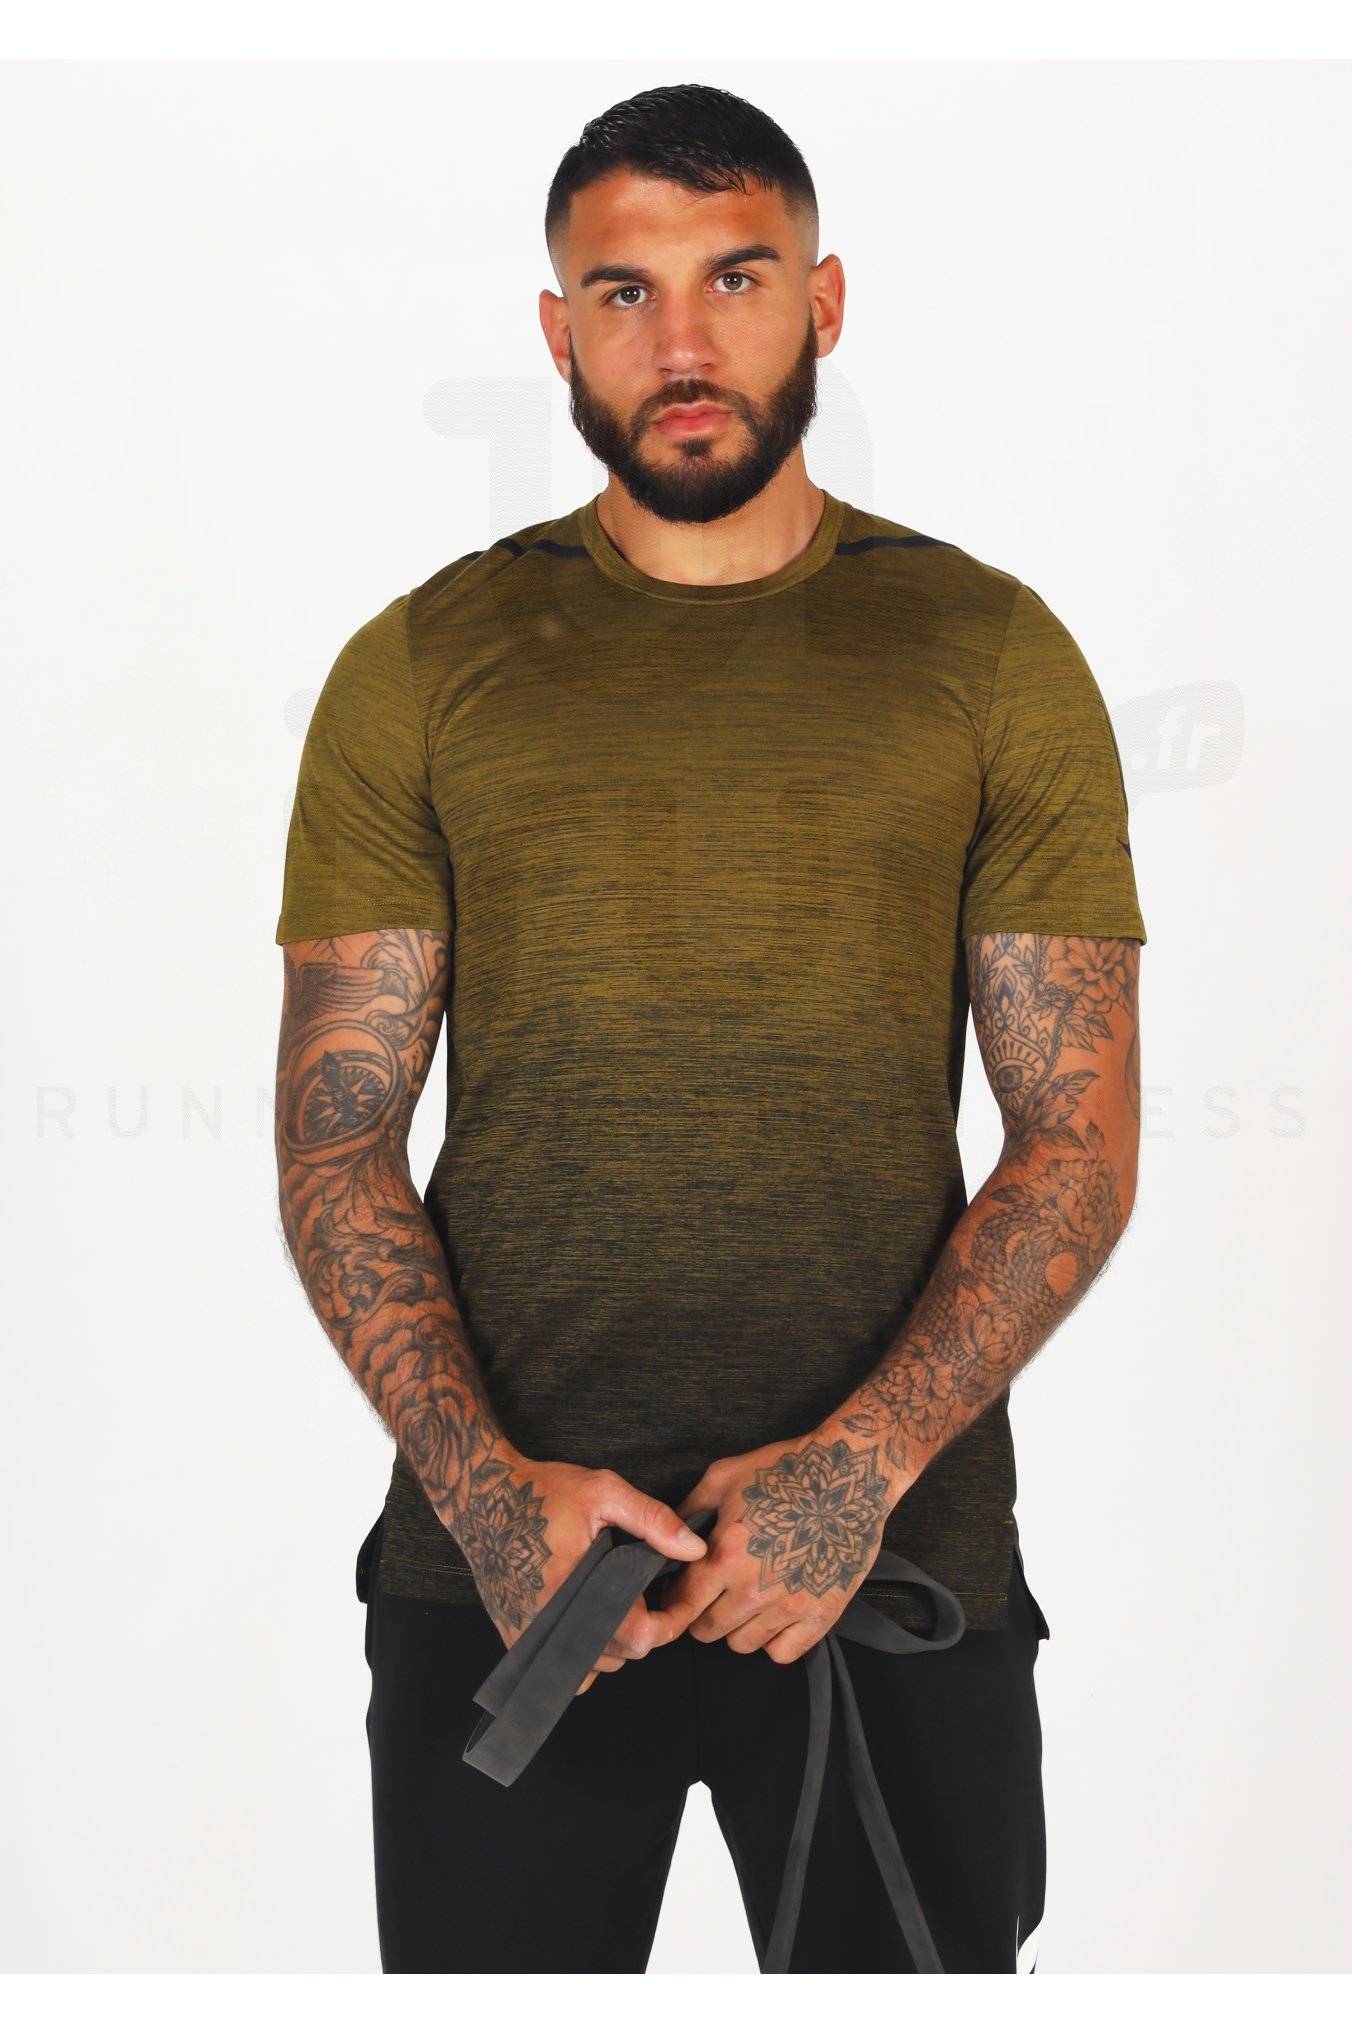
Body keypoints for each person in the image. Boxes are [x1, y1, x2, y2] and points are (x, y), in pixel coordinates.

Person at [273, 81, 1146, 1975]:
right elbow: (338, 1137)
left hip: (890, 1565)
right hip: (502, 1581)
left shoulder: (986, 651)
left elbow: (1076, 1138)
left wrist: (858, 1470)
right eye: (623, 292)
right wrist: (485, 1492)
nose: (681, 344)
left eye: (735, 278)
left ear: (824, 301)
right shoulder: (423, 663)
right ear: (555, 330)